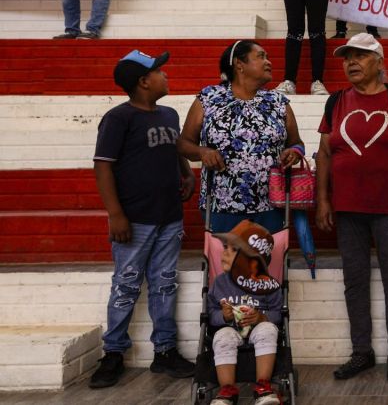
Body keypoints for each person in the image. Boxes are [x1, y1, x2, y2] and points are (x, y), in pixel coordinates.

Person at [315, 34, 388, 383]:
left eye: (360, 56)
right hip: (347, 208)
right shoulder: (335, 101)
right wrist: (323, 199)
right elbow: (324, 153)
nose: (351, 62)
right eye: (347, 57)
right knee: (355, 281)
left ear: (379, 62)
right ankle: (361, 351)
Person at [89, 49, 196, 389]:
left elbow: (174, 148)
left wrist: (186, 173)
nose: (166, 75)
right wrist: (116, 214)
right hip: (134, 220)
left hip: (169, 216)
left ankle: (165, 350)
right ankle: (113, 352)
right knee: (126, 284)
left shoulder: (169, 114)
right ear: (144, 82)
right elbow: (103, 166)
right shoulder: (118, 118)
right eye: (159, 72)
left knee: (165, 283)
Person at [178, 40, 304, 234]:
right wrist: (202, 152)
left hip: (271, 206)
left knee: (269, 255)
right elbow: (184, 143)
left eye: (267, 57)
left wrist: (294, 151)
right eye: (261, 57)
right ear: (239, 64)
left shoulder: (278, 102)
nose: (268, 62)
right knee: (224, 255)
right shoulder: (209, 98)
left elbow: (296, 143)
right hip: (220, 205)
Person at [207, 220, 283, 405]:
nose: (224, 253)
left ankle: (263, 387)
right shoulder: (220, 283)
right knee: (222, 335)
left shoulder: (267, 285)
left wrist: (262, 317)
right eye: (225, 247)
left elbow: (278, 313)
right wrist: (223, 316)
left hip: (258, 331)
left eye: (233, 250)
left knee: (268, 329)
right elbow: (210, 314)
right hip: (231, 330)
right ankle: (227, 390)